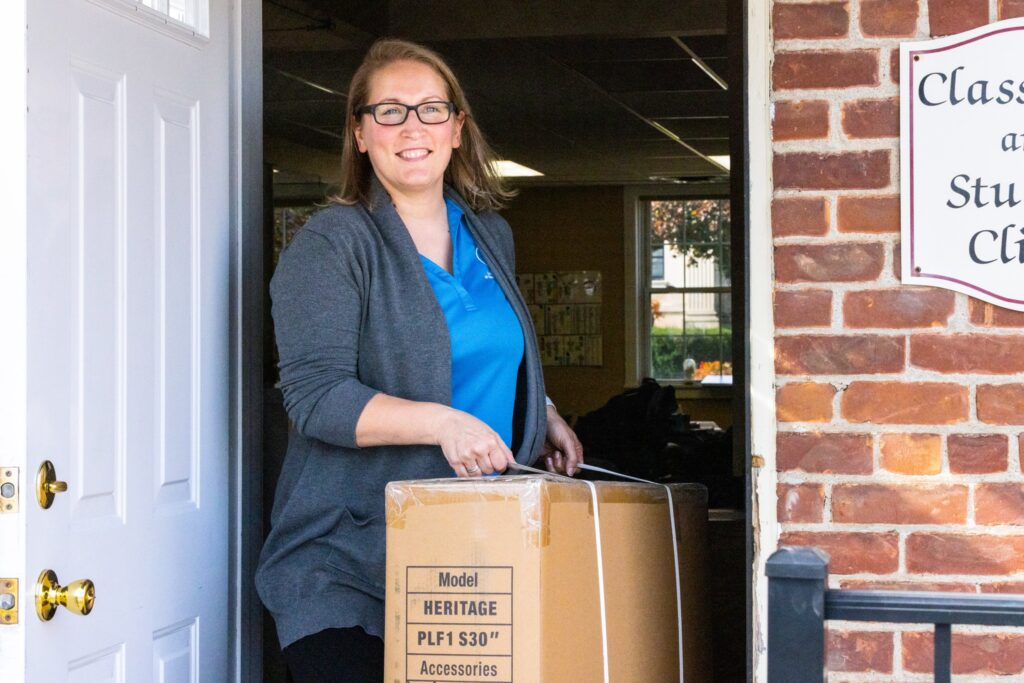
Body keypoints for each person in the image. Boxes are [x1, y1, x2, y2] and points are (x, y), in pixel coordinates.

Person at [255, 38, 584, 682]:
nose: (413, 128)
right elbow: (317, 397)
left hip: (470, 557)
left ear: (458, 129)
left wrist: (541, 409)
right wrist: (443, 423)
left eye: (432, 109)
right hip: (348, 562)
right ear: (359, 132)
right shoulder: (332, 245)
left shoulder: (489, 233)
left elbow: (488, 347)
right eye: (390, 111)